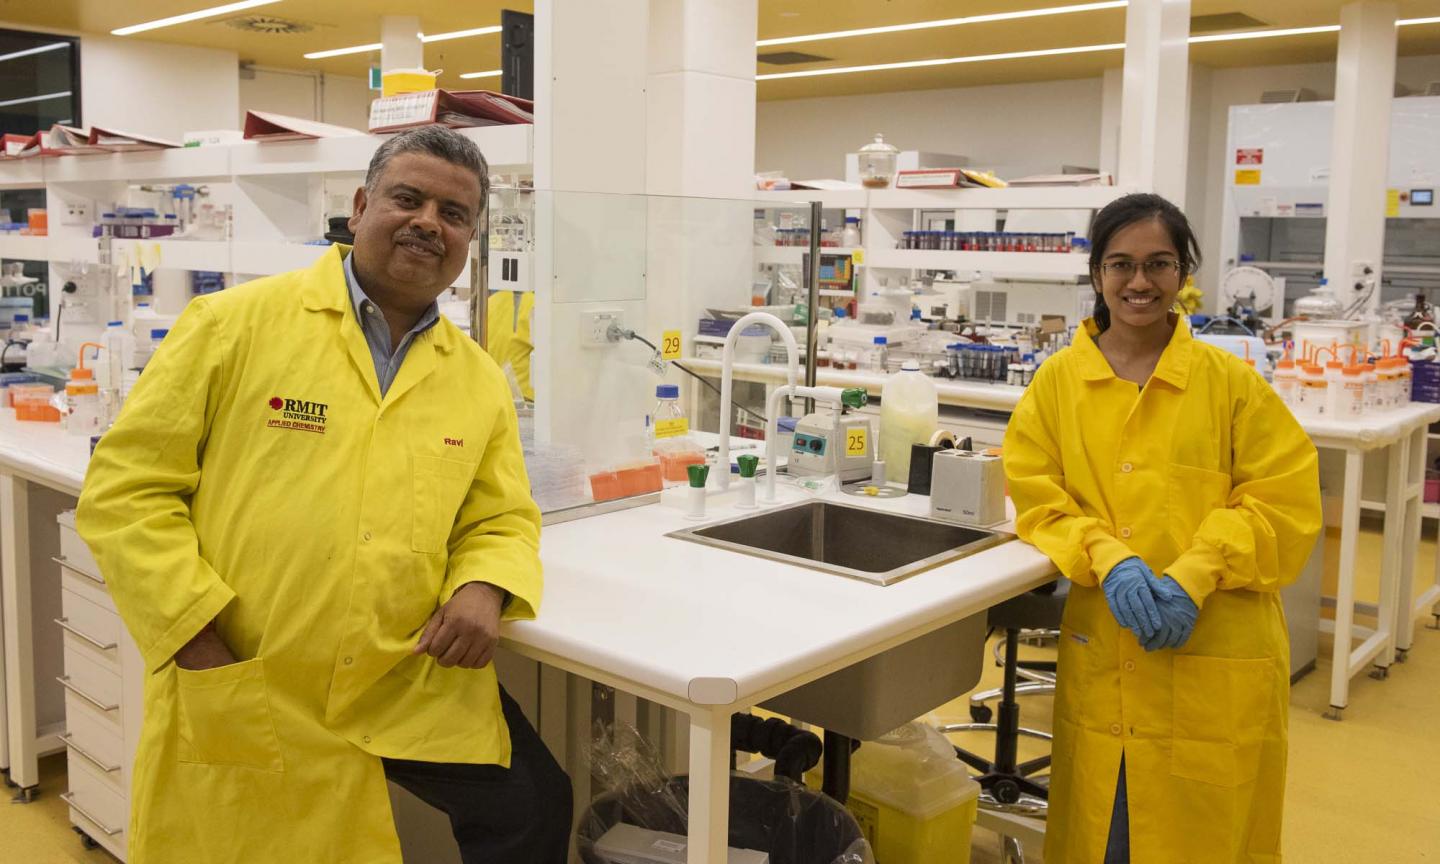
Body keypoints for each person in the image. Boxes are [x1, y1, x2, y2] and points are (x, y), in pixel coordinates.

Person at [76, 126, 572, 863]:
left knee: (532, 803)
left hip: (401, 669)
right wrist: (196, 641)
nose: (429, 222)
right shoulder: (235, 326)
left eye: (454, 212)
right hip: (254, 669)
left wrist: (485, 585)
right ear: (362, 204)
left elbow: (499, 515)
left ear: (469, 236)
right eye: (408, 198)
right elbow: (125, 494)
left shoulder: (475, 377)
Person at [1003, 193, 1322, 863]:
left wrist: (1196, 572)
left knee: (1206, 835)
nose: (1139, 282)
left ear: (1184, 274)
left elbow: (1285, 503)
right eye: (1121, 264)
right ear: (1097, 275)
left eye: (1159, 264)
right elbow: (1036, 498)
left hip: (1217, 646)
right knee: (1107, 833)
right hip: (1107, 648)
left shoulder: (1229, 385)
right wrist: (1108, 557)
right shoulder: (1058, 384)